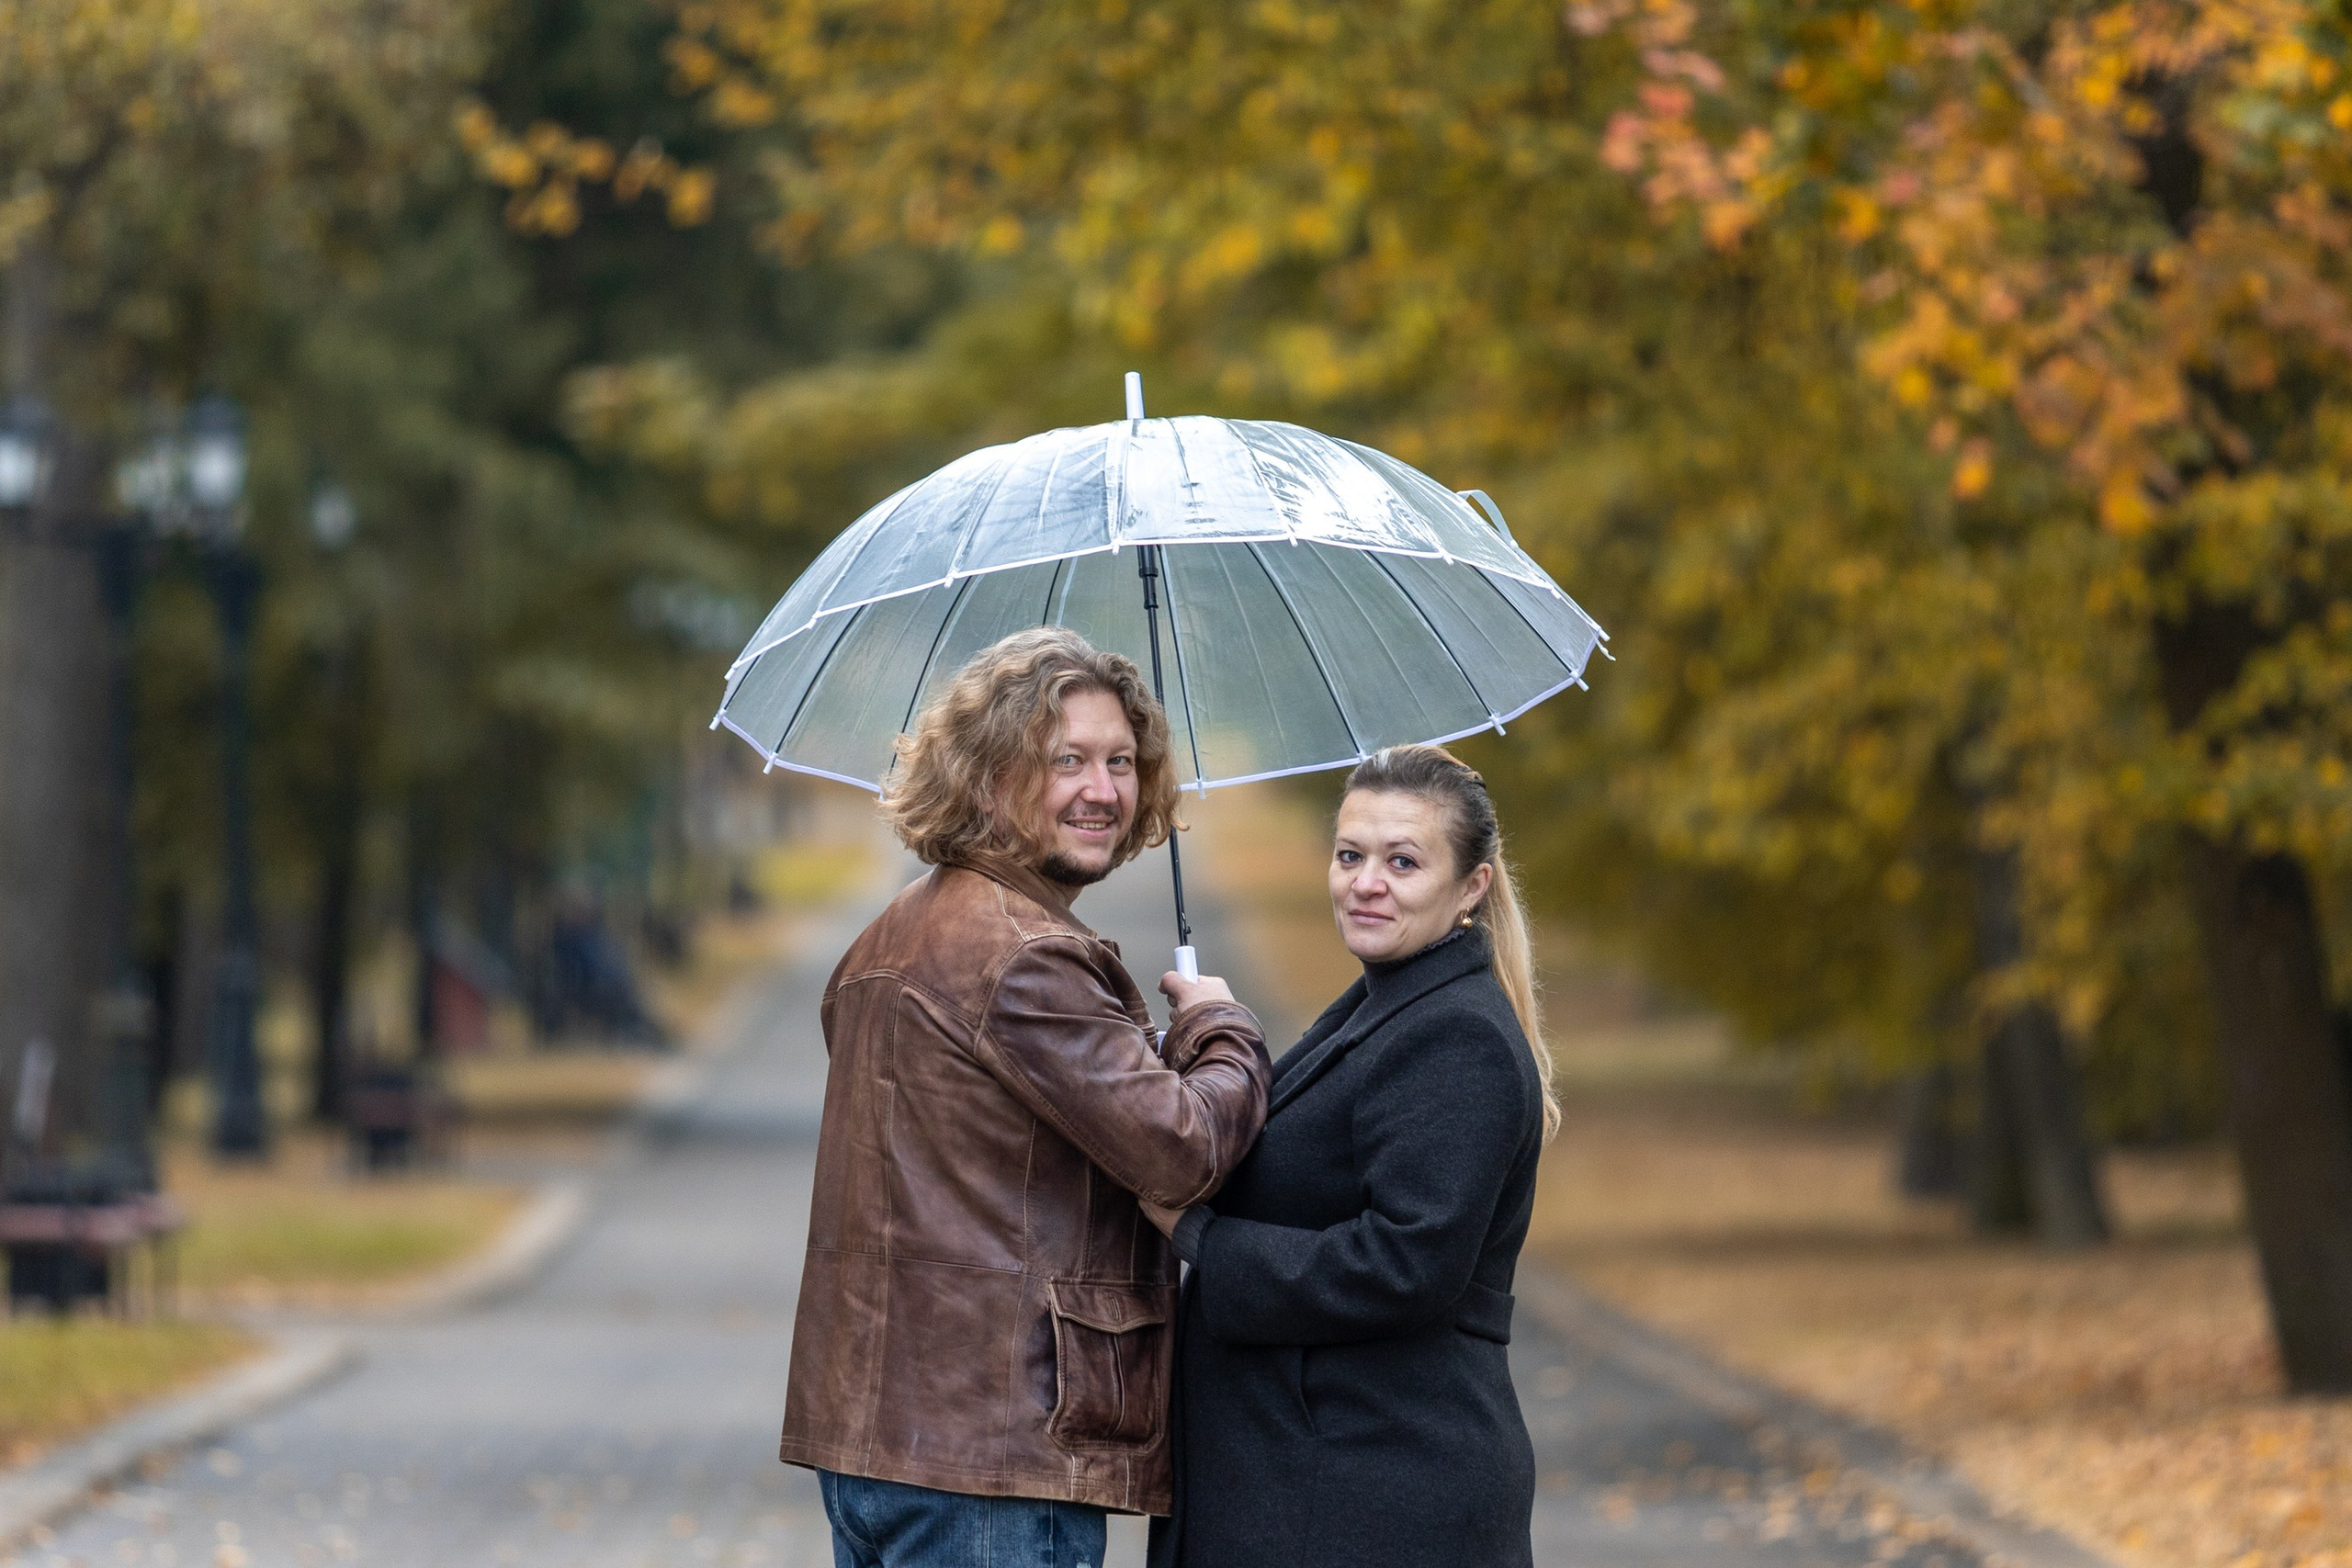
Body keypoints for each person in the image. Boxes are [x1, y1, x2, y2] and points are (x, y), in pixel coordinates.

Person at [780, 626, 1272, 1568]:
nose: (1105, 791)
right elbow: (1184, 1150)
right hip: (991, 1455)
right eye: (1067, 761)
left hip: (877, 1444)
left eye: (1123, 761)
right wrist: (1221, 1028)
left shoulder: (890, 936)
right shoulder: (1026, 958)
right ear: (987, 778)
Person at [1145, 743, 1557, 1568]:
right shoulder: (1391, 1000)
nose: (1367, 881)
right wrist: (1220, 1035)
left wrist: (1199, 1235)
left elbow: (1406, 1263)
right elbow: (1305, 1153)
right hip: (1317, 1478)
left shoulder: (1458, 1036)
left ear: (1471, 885)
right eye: (1350, 854)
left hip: (1372, 1492)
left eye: (1403, 861)